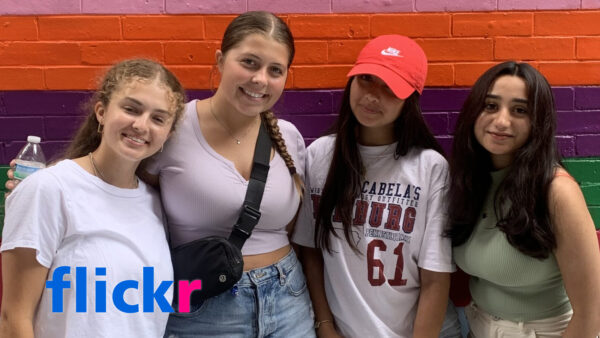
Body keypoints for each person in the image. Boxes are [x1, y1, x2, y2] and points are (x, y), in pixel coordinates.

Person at [140, 11, 314, 337]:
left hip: (288, 299)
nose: (260, 79)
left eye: (275, 70)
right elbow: (116, 189)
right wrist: (46, 184)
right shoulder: (171, 130)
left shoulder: (289, 138)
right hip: (204, 306)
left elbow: (291, 226)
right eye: (249, 62)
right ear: (221, 60)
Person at [0, 59, 187, 337]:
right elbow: (13, 318)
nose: (141, 124)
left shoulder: (156, 203)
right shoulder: (50, 189)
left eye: (158, 118)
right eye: (131, 109)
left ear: (168, 133)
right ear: (101, 111)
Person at [293, 35, 461, 338]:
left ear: (409, 100)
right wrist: (325, 325)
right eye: (366, 79)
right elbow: (310, 251)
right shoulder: (320, 155)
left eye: (390, 88)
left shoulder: (430, 167)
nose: (372, 96)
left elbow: (436, 278)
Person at [448, 61, 600, 337]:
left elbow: (592, 317)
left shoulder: (556, 192)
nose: (501, 121)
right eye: (491, 106)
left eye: (519, 110)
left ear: (537, 121)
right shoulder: (470, 182)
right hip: (478, 327)